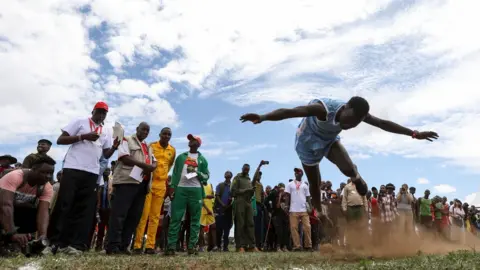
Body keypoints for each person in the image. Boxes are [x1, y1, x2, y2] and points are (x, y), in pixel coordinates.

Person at [240, 96, 438, 213]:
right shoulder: (322, 109)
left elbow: (383, 124)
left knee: (348, 167)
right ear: (344, 108)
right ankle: (318, 212)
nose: (348, 126)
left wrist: (413, 133)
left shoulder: (358, 114)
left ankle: (357, 177)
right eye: (348, 121)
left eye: (354, 125)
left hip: (328, 141)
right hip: (306, 145)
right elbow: (290, 112)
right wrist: (263, 117)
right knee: (315, 184)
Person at [48, 101, 119, 255]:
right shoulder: (80, 121)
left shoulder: (106, 130)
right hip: (73, 168)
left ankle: (76, 244)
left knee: (84, 209)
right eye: (98, 112)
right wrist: (83, 136)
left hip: (92, 172)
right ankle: (55, 241)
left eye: (104, 113)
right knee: (65, 204)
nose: (101, 115)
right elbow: (61, 140)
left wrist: (114, 147)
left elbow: (105, 154)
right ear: (93, 111)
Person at [106, 122, 156, 255]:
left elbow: (154, 160)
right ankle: (113, 246)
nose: (145, 132)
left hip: (142, 184)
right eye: (143, 129)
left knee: (134, 216)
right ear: (137, 129)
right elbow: (124, 158)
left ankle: (124, 245)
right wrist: (145, 166)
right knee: (119, 214)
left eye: (147, 130)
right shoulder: (126, 140)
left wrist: (153, 165)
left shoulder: (148, 146)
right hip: (126, 182)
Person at [165, 134, 210, 256]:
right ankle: (170, 248)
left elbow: (206, 176)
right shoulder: (181, 157)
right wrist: (172, 187)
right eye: (190, 140)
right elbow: (174, 174)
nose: (191, 141)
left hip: (195, 190)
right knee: (176, 218)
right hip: (181, 189)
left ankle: (192, 247)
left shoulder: (203, 160)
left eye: (194, 140)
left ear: (198, 143)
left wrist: (197, 172)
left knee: (195, 219)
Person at [134, 127, 176, 254]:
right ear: (160, 134)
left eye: (169, 134)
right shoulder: (151, 145)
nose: (166, 136)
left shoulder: (172, 150)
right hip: (150, 183)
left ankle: (150, 246)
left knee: (155, 216)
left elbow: (169, 166)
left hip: (161, 185)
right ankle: (137, 245)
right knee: (144, 215)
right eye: (164, 134)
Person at [0, 156, 55, 250]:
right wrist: (12, 233)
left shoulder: (46, 187)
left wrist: (42, 236)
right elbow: (5, 205)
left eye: (50, 173)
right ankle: (7, 236)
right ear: (33, 169)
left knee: (34, 211)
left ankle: (19, 240)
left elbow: (43, 212)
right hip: (3, 210)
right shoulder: (15, 176)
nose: (48, 176)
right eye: (44, 172)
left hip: (15, 214)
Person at [285, 168, 313, 251]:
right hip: (293, 209)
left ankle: (308, 246)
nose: (296, 173)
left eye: (298, 172)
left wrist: (310, 207)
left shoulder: (305, 185)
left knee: (307, 227)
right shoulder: (290, 184)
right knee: (294, 228)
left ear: (302, 174)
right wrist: (286, 206)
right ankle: (297, 246)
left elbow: (308, 198)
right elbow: (287, 196)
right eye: (295, 172)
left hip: (304, 209)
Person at [231, 164, 257, 252]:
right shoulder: (237, 178)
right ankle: (240, 246)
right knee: (240, 223)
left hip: (248, 201)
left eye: (248, 169)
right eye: (245, 169)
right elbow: (233, 192)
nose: (246, 170)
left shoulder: (249, 179)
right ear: (242, 169)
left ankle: (251, 245)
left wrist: (251, 190)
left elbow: (250, 191)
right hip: (239, 201)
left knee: (250, 223)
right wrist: (245, 190)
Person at [214, 171, 233, 252]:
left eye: (229, 173)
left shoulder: (233, 186)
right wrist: (222, 204)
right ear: (224, 175)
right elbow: (217, 196)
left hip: (229, 210)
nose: (227, 174)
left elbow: (234, 197)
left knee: (227, 229)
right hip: (220, 209)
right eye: (226, 173)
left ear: (231, 176)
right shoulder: (220, 185)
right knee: (219, 229)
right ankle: (218, 246)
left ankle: (225, 247)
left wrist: (229, 205)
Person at [251, 160, 266, 250]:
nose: (259, 176)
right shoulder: (253, 183)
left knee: (259, 226)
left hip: (260, 206)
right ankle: (254, 245)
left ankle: (259, 245)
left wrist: (263, 204)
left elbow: (262, 195)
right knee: (254, 225)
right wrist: (260, 165)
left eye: (260, 175)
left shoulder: (261, 184)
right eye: (258, 174)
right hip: (254, 205)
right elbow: (254, 176)